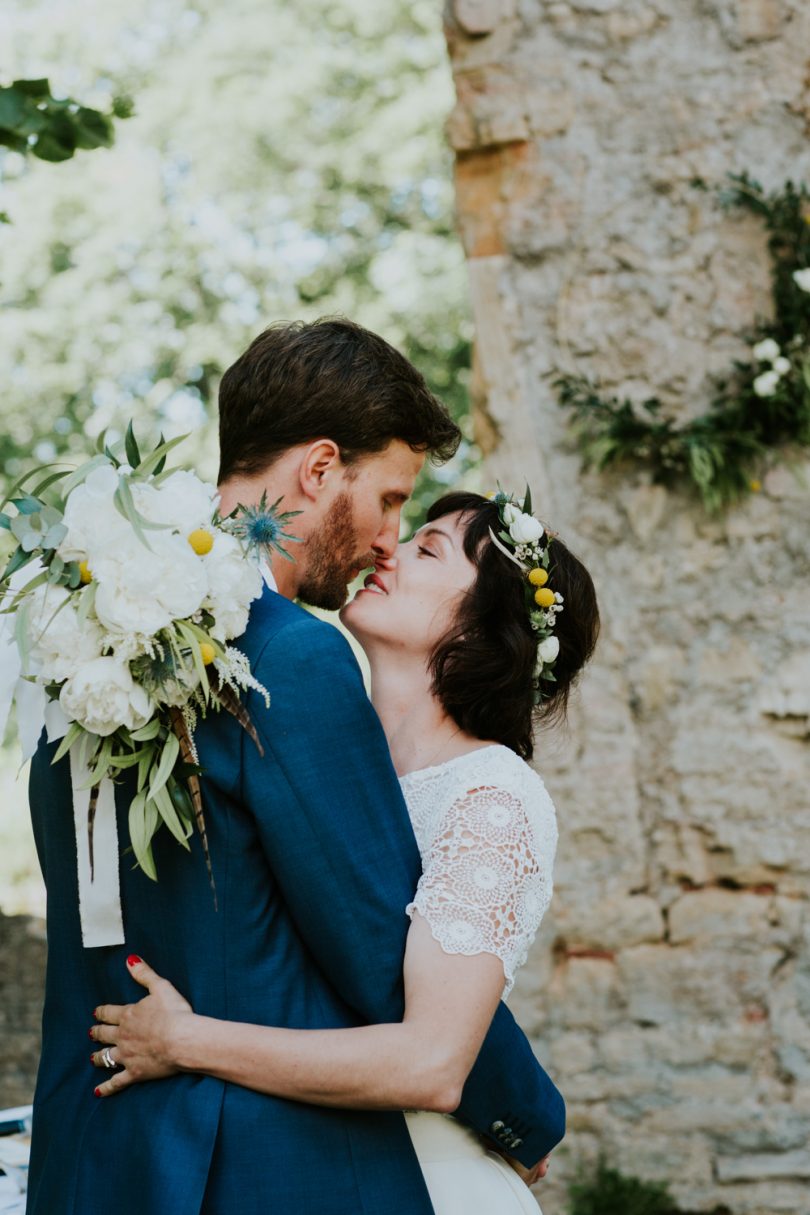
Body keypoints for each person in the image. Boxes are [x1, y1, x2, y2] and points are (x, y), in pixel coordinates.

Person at [27, 319, 566, 1215]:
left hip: (92, 1157)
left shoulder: (75, 638)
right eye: (391, 499)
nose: (389, 537)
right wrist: (524, 1113)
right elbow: (373, 952)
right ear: (320, 470)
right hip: (248, 1166)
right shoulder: (288, 658)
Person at [90, 488, 600, 1214]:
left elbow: (430, 1065)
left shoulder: (491, 797)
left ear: (486, 623)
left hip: (422, 1178)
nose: (386, 547)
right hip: (302, 1168)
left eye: (427, 548)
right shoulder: (324, 759)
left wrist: (186, 1040)